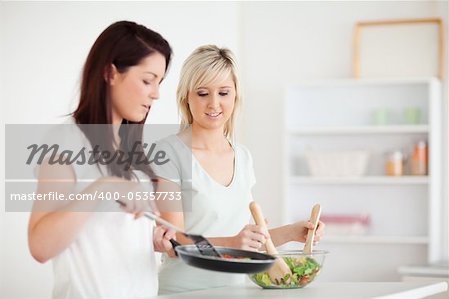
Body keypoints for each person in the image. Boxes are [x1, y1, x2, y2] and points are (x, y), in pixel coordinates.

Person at [153, 45, 325, 294]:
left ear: (235, 96)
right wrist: (233, 243)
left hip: (235, 291)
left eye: (223, 92)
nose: (214, 103)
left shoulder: (242, 157)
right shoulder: (168, 153)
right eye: (202, 93)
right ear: (186, 97)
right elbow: (172, 243)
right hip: (183, 291)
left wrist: (292, 232)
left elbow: (248, 242)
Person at [27, 21, 176, 299]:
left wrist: (152, 239)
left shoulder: (134, 154)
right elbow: (40, 246)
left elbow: (112, 237)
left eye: (159, 82)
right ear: (110, 72)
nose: (156, 94)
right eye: (147, 80)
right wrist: (103, 186)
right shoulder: (65, 141)